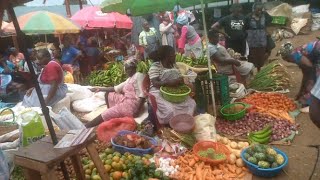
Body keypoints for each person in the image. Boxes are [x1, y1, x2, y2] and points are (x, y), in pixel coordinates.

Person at [85, 61, 146, 128]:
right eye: (127, 69)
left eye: (129, 69)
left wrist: (137, 110)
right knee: (109, 94)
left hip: (131, 106)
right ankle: (112, 112)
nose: (128, 71)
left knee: (106, 114)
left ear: (134, 68)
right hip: (126, 100)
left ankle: (87, 126)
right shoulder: (129, 79)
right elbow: (115, 88)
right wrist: (99, 89)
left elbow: (143, 94)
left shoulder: (138, 75)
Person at [148, 45, 196, 125]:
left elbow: (179, 77)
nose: (175, 55)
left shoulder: (174, 65)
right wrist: (168, 82)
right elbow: (155, 83)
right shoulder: (155, 66)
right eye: (173, 54)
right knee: (170, 110)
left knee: (191, 104)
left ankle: (183, 124)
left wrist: (181, 81)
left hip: (175, 91)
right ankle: (172, 124)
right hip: (159, 91)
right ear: (167, 56)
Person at [278, 41, 320, 107]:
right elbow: (305, 75)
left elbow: (310, 67)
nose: (287, 61)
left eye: (286, 59)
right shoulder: (298, 53)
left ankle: (311, 102)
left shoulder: (295, 55)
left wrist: (305, 92)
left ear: (287, 57)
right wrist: (300, 93)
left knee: (316, 80)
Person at [246, 2, 273, 71]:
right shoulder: (248, 17)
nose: (259, 11)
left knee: (261, 58)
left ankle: (259, 71)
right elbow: (244, 27)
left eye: (261, 10)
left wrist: (265, 12)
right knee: (252, 59)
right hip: (252, 43)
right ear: (253, 9)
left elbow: (270, 19)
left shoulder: (264, 16)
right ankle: (254, 73)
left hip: (262, 41)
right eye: (258, 10)